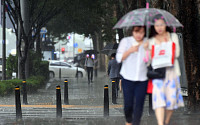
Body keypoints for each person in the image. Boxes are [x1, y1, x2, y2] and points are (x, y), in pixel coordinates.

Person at [149, 14, 184, 125]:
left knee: (171, 100)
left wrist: (165, 47)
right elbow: (149, 59)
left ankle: (166, 121)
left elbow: (177, 53)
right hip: (158, 73)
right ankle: (160, 123)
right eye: (156, 25)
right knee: (159, 99)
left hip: (171, 72)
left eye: (161, 25)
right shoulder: (152, 39)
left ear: (166, 25)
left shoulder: (172, 36)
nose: (159, 27)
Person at [116, 26, 148, 125]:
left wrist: (148, 50)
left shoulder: (148, 42)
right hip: (128, 78)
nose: (139, 35)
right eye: (137, 32)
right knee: (128, 105)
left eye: (142, 32)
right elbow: (119, 58)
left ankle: (136, 123)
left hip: (142, 79)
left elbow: (151, 61)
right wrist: (130, 50)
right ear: (132, 32)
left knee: (139, 104)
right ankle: (128, 121)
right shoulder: (126, 41)